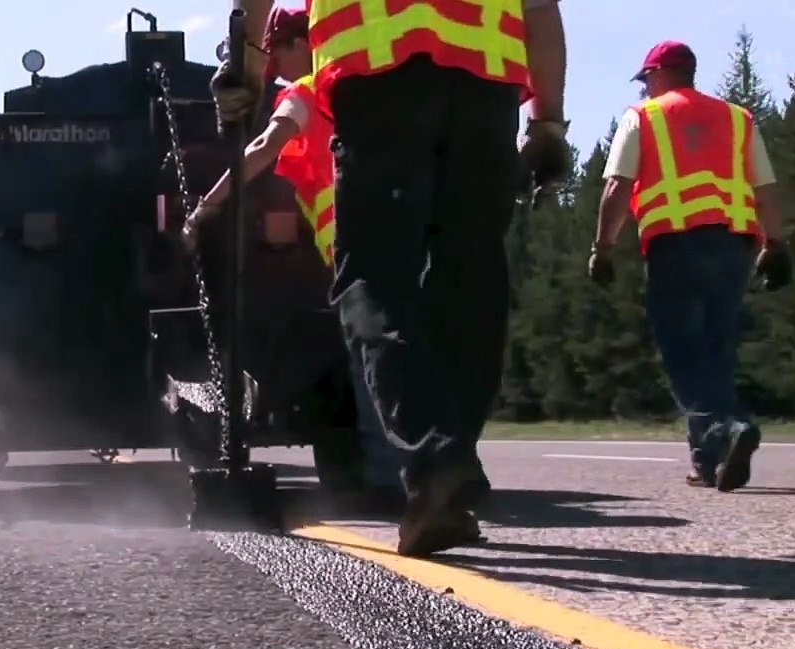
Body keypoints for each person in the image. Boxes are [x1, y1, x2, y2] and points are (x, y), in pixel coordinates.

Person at [213, 0, 570, 557]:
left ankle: (436, 462)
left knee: (373, 282)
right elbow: (541, 8)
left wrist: (246, 65)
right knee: (471, 274)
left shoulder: (299, 94)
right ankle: (452, 462)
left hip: (377, 75)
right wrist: (548, 119)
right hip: (487, 85)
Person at [186, 7, 405, 507]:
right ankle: (442, 465)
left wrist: (207, 206)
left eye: (276, 53)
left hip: (360, 242)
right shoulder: (371, 89)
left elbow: (265, 146)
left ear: (302, 44)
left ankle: (384, 479)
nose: (273, 68)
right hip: (407, 228)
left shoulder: (308, 91)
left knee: (370, 354)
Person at [589, 40, 792, 492]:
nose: (644, 89)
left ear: (658, 74)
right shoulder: (738, 119)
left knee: (682, 352)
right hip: (734, 248)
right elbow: (766, 188)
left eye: (645, 80)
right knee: (717, 351)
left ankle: (726, 429)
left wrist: (602, 247)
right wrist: (777, 243)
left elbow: (617, 186)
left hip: (675, 246)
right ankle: (710, 462)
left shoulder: (643, 117)